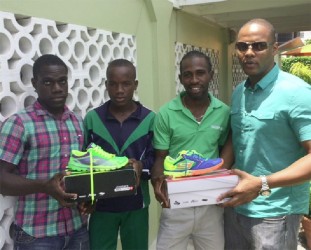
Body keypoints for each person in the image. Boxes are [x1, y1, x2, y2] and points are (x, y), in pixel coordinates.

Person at [217, 18, 311, 250]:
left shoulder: (296, 92)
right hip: (236, 204)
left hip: (275, 213)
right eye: (242, 46)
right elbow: (236, 136)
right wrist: (213, 175)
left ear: (274, 49)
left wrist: (262, 183)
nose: (249, 52)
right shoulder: (240, 91)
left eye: (259, 46)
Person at [0, 54, 89, 249]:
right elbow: (1, 179)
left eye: (62, 81)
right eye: (48, 82)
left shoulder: (77, 122)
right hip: (37, 235)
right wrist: (44, 186)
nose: (57, 88)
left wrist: (86, 199)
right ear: (34, 83)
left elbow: (80, 171)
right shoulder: (19, 123)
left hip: (77, 228)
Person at [151, 50, 231, 250]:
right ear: (181, 78)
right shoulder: (166, 113)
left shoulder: (223, 112)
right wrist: (157, 183)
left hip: (211, 203)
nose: (194, 79)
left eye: (200, 73)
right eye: (188, 74)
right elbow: (160, 157)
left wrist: (223, 184)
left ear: (211, 75)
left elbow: (224, 151)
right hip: (177, 202)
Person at [84, 59, 155, 250]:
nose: (119, 90)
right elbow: (84, 160)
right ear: (106, 85)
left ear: (135, 85)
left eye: (126, 84)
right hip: (101, 205)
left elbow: (155, 158)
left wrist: (141, 167)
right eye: (113, 84)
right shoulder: (93, 118)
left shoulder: (149, 119)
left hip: (136, 204)